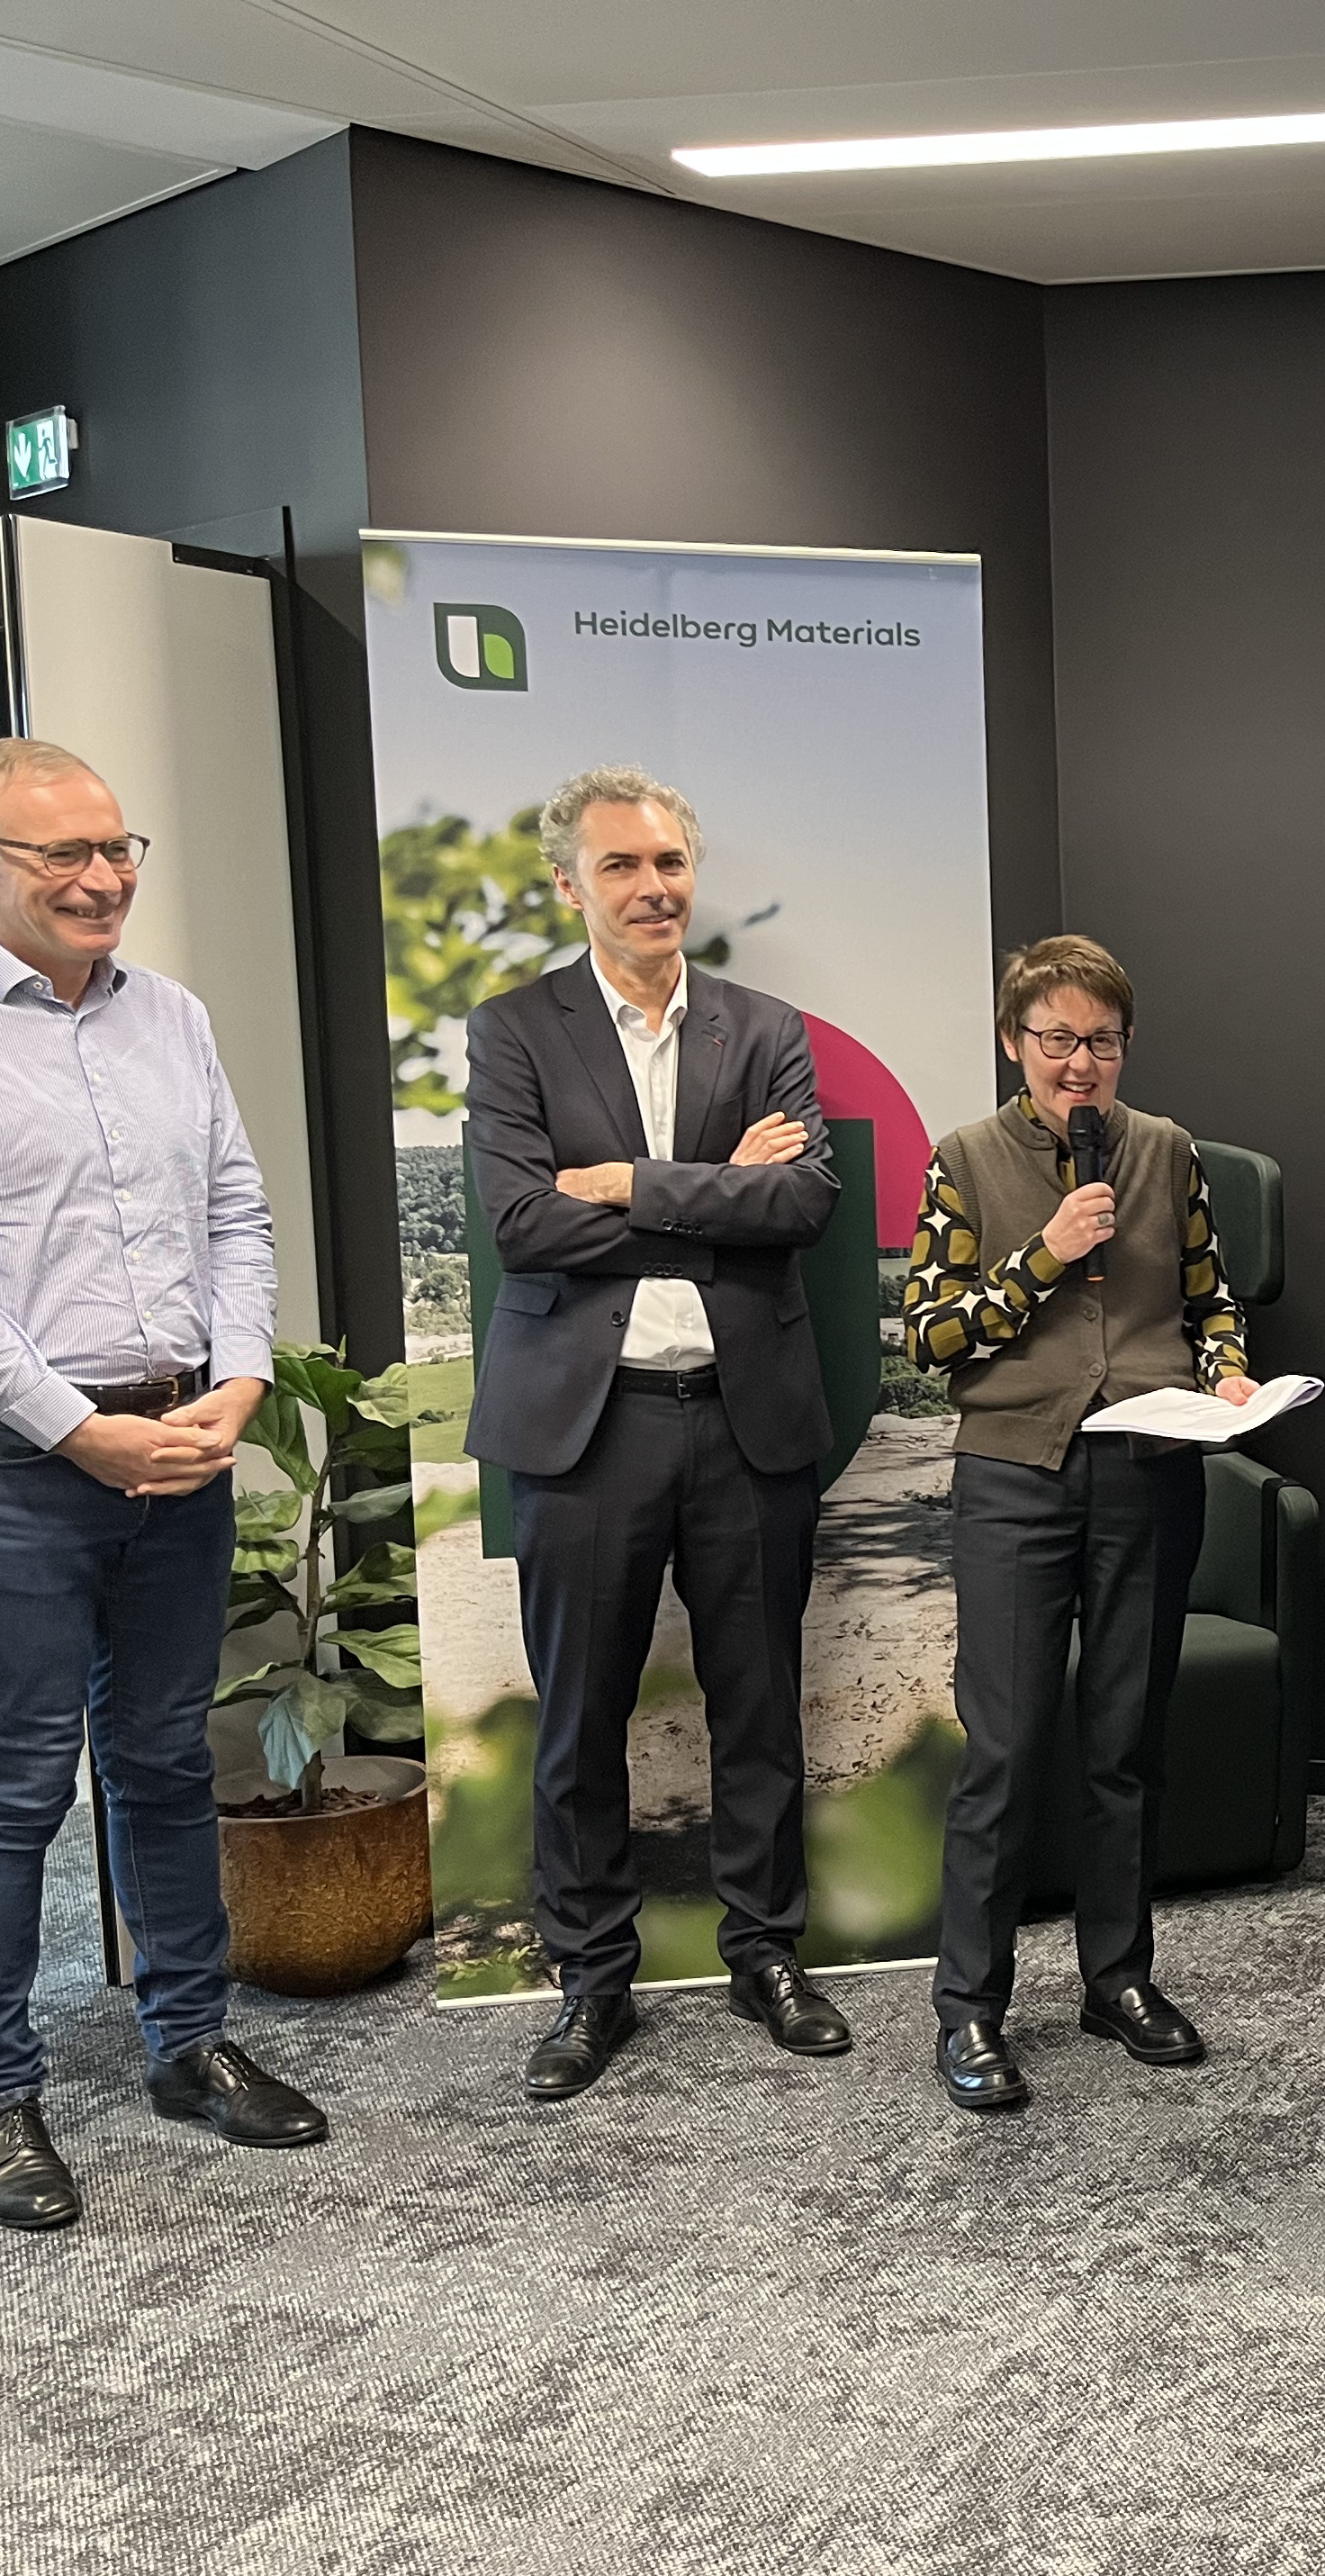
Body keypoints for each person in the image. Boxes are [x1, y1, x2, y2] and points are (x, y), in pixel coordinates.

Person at [0, 737, 327, 2229]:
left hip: (181, 1445)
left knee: (169, 1759)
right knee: (15, 1781)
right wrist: (73, 1427)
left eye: (118, 849)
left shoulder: (166, 1016)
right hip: (13, 1470)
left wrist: (240, 1377)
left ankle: (187, 2043)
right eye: (62, 856)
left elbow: (237, 1211)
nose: (103, 878)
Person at [464, 765, 845, 2099]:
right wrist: (712, 1189)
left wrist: (627, 1185)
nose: (655, 887)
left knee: (759, 1706)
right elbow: (520, 1224)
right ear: (570, 885)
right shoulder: (514, 1031)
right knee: (580, 1718)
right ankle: (589, 1982)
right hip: (587, 1425)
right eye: (622, 866)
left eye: (671, 861)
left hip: (745, 1419)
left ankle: (767, 1952)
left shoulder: (765, 1024)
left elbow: (803, 1205)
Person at [902, 935, 1257, 2111]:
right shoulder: (962, 1158)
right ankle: (970, 2012)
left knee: (1124, 1745)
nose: (1080, 1062)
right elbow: (928, 1338)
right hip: (1014, 1476)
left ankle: (1119, 1981)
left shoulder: (1167, 1151)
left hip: (1150, 1469)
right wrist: (1042, 1258)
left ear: (1124, 1046)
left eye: (1100, 1040)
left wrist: (1232, 1376)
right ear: (1015, 1043)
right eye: (1056, 1039)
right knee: (1003, 1751)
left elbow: (1210, 1300)